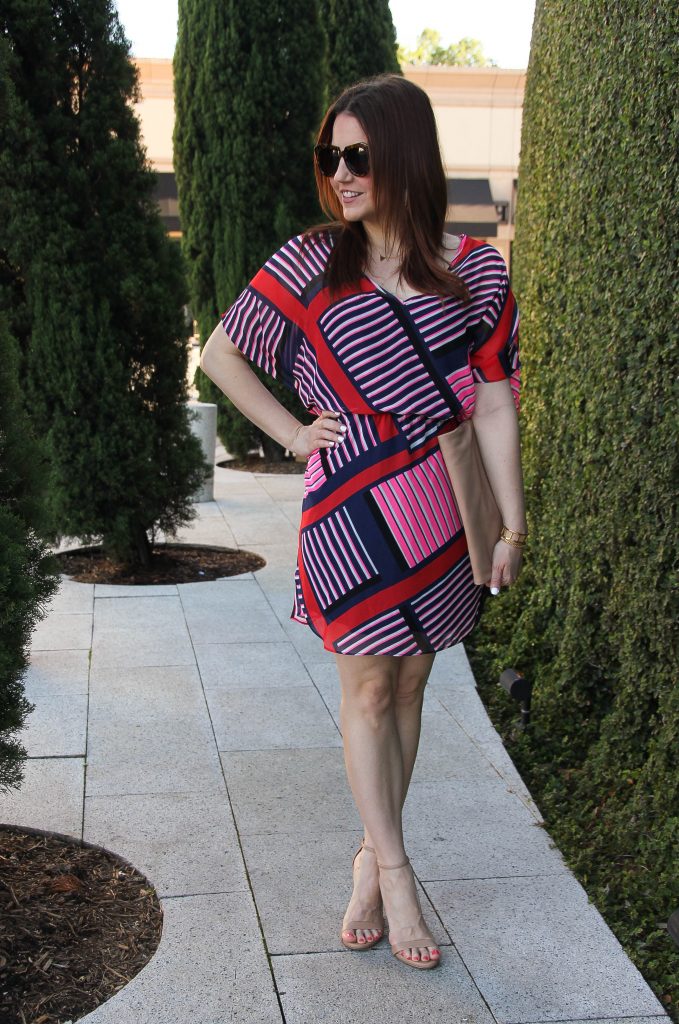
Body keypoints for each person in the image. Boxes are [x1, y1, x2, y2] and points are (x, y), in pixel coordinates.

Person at [200, 73, 526, 971]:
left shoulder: (478, 269)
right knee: (368, 691)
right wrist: (295, 434)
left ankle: (366, 855)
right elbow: (220, 355)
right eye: (329, 156)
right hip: (347, 506)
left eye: (357, 156)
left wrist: (511, 525)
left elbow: (493, 402)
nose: (339, 173)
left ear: (405, 156)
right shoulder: (311, 263)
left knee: (412, 686)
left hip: (437, 501)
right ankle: (393, 869)